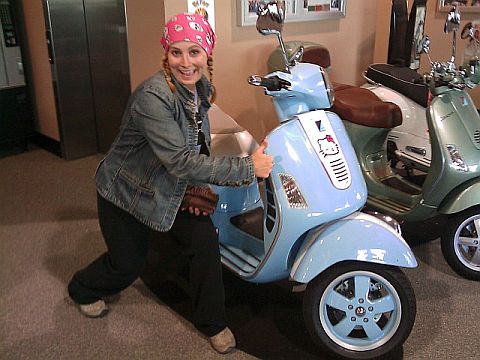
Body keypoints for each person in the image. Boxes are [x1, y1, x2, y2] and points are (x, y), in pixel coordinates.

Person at [67, 13, 273, 354]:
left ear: (207, 53)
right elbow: (179, 159)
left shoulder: (200, 89)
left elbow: (197, 144)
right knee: (126, 266)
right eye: (176, 52)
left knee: (204, 242)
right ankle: (81, 288)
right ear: (166, 54)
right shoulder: (153, 96)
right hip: (126, 192)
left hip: (169, 187)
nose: (185, 62)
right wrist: (247, 168)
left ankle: (213, 322)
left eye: (194, 51)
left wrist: (236, 162)